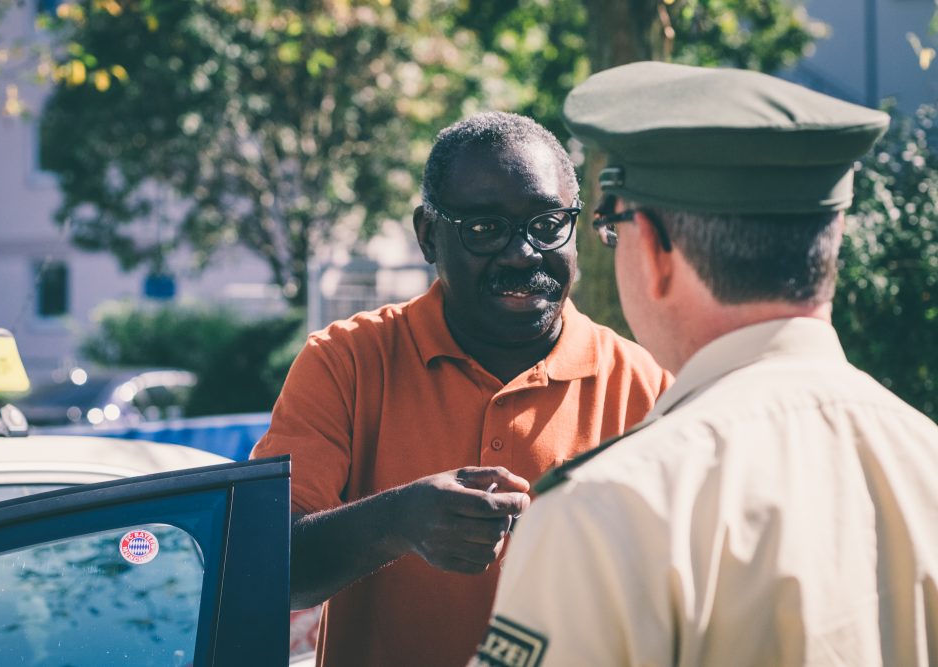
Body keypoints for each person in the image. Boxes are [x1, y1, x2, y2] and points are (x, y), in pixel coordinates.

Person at [475, 63, 938, 667]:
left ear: (657, 252)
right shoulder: (922, 455)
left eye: (613, 229)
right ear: (834, 234)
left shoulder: (609, 509)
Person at [251, 111, 672, 667]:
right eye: (484, 228)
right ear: (429, 235)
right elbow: (262, 570)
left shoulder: (642, 385)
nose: (522, 253)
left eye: (547, 225)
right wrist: (398, 522)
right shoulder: (347, 361)